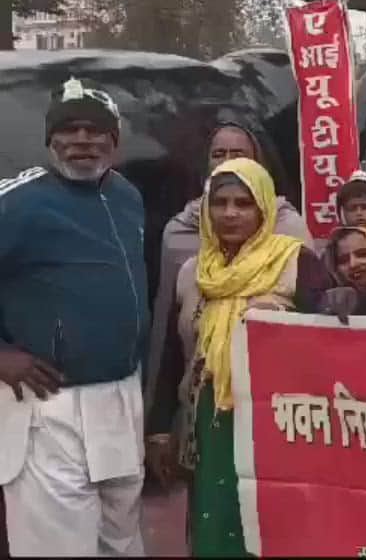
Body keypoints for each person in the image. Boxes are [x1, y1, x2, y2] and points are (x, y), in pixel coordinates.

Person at [143, 158, 339, 557]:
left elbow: (330, 340)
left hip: (278, 421)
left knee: (274, 527)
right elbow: (173, 355)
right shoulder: (194, 272)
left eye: (243, 203)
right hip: (209, 420)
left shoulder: (295, 262)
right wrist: (160, 430)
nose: (230, 213)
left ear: (264, 209)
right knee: (216, 523)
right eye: (220, 203)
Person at [0, 79, 149, 555]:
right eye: (68, 129)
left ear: (114, 140)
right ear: (50, 140)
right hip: (49, 407)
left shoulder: (127, 196)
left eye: (95, 130)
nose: (82, 140)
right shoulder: (17, 201)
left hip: (121, 401)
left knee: (120, 541)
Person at [145, 120, 312, 413]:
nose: (230, 213)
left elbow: (323, 329)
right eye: (218, 154)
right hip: (202, 409)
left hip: (277, 410)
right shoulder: (186, 252)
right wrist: (160, 420)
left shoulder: (293, 249)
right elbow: (169, 342)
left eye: (238, 154)